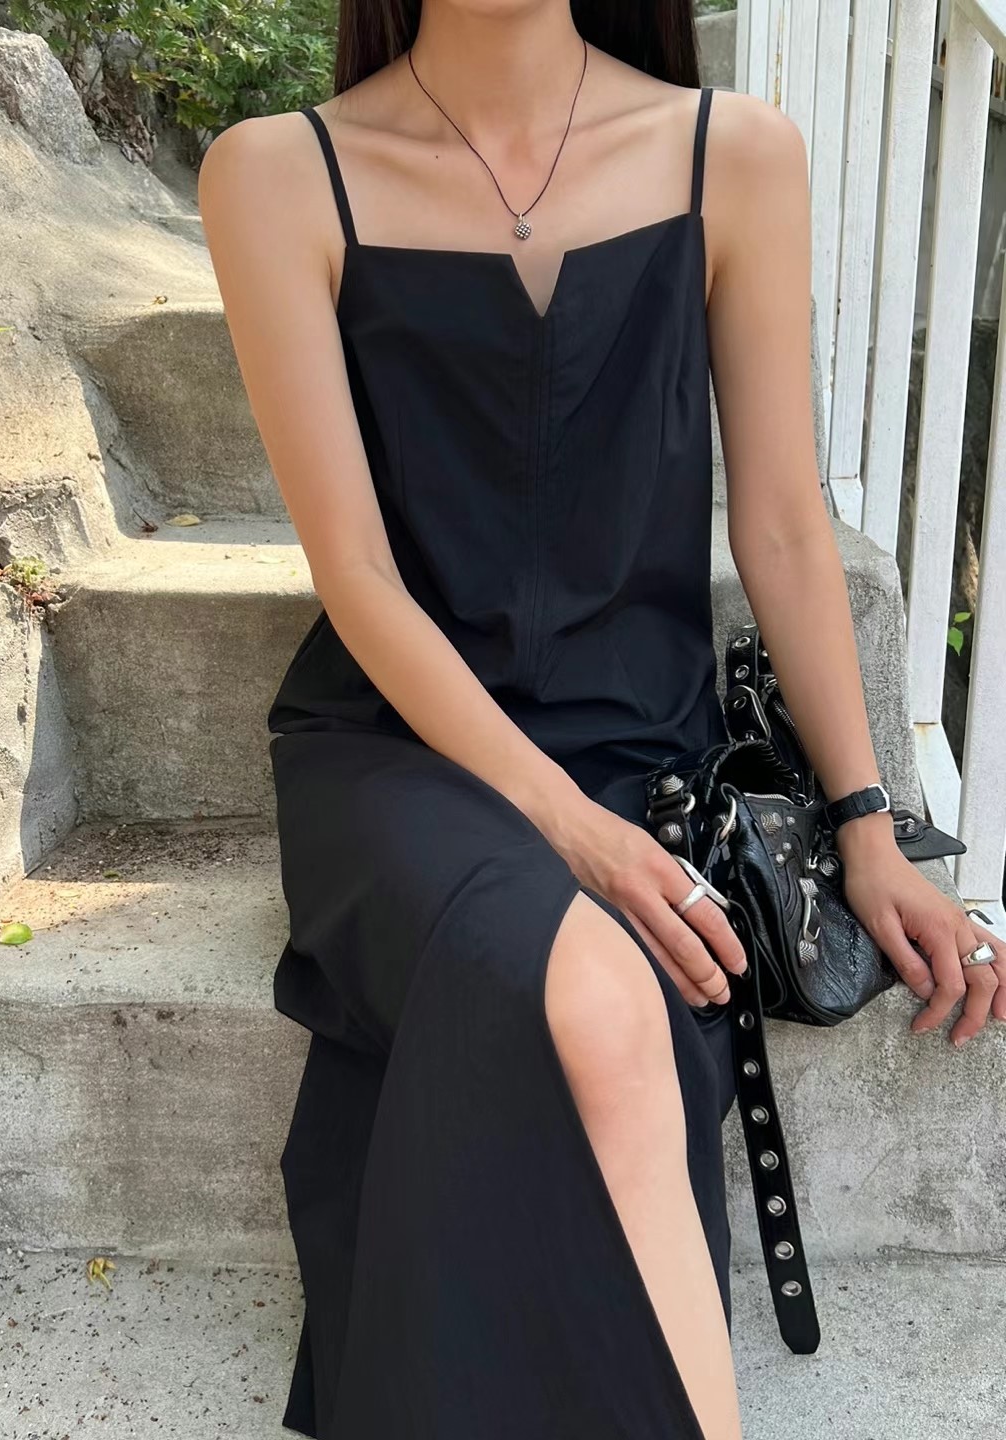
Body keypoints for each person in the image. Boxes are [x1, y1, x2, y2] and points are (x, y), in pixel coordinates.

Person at [197, 3, 1006, 1436]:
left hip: (645, 758)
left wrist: (868, 827)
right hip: (400, 748)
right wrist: (567, 829)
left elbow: (783, 525)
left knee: (613, 1011)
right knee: (592, 994)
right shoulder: (277, 171)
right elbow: (359, 577)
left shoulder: (732, 153)